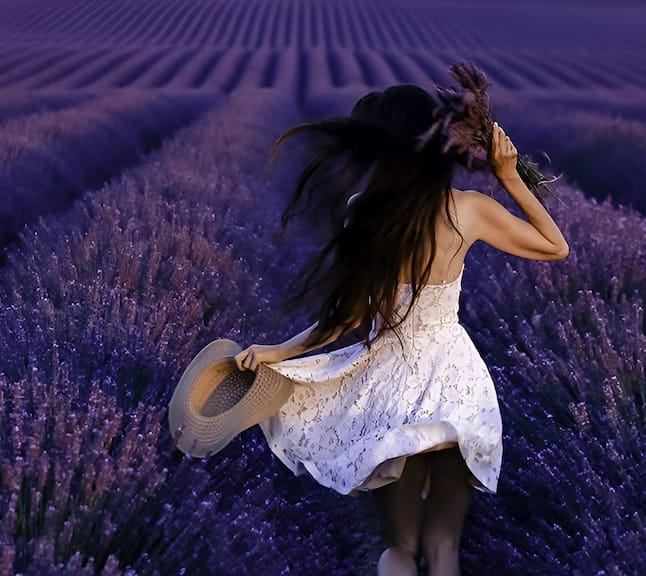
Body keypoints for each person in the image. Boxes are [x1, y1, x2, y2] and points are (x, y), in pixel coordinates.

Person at [233, 84, 568, 576]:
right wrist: (510, 176)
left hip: (390, 387)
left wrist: (278, 352)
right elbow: (554, 246)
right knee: (443, 550)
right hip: (456, 387)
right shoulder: (466, 209)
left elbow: (348, 318)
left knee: (399, 548)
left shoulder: (363, 210)